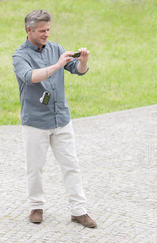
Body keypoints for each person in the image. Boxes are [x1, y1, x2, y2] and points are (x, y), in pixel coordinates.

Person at [12, 10, 96, 228]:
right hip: (35, 123)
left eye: (48, 30)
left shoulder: (56, 48)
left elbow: (78, 70)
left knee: (71, 165)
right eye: (42, 31)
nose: (46, 34)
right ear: (29, 30)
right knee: (35, 168)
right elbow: (31, 77)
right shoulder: (20, 56)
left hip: (61, 120)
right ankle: (36, 206)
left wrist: (83, 62)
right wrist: (57, 65)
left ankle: (79, 211)